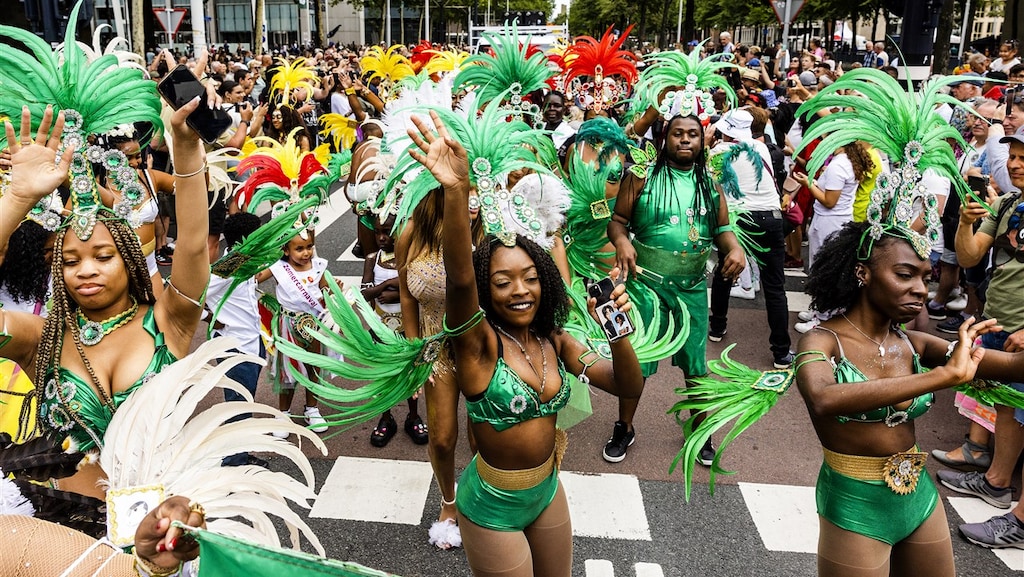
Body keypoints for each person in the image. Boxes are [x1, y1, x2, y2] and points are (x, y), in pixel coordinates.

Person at [406, 109, 643, 577]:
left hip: (547, 491)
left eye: (531, 278)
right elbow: (456, 280)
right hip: (492, 504)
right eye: (502, 281)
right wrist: (455, 193)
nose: (520, 290)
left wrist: (618, 334)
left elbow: (625, 385)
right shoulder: (478, 345)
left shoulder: (554, 339)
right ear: (485, 289)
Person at [1, 100, 209, 499]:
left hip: (164, 535)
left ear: (129, 260)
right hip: (70, 540)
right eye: (69, 260)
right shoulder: (42, 340)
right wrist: (17, 200)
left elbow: (195, 247)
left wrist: (185, 149)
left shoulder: (170, 320)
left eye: (102, 256)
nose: (86, 270)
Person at [606, 114, 746, 464]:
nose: (685, 140)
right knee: (637, 362)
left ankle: (700, 431)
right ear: (665, 138)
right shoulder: (642, 176)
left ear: (702, 141)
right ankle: (624, 426)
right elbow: (617, 222)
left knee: (697, 367)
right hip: (647, 288)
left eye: (693, 135)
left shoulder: (710, 181)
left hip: (692, 289)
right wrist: (621, 241)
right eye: (678, 134)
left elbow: (722, 227)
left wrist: (735, 248)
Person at [935, 133, 1024, 549]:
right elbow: (970, 257)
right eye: (1015, 156)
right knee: (1007, 409)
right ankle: (996, 481)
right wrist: (967, 222)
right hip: (998, 325)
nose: (1016, 164)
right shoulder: (1008, 204)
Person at [706, 109, 792, 368]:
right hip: (770, 217)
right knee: (775, 287)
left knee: (725, 272)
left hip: (739, 220)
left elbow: (709, 182)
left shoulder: (718, 153)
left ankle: (717, 327)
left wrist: (709, 142)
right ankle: (781, 352)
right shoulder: (761, 148)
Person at [361, 213, 428, 448]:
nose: (381, 237)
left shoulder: (410, 257)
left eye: (387, 231)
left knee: (410, 372)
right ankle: (386, 417)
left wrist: (390, 290)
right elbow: (365, 292)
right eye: (377, 231)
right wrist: (386, 287)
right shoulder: (372, 258)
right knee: (384, 374)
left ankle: (413, 415)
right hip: (382, 327)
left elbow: (416, 288)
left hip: (407, 327)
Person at [255, 234, 330, 434]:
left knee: (313, 366)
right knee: (287, 371)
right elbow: (254, 279)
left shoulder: (319, 266)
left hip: (313, 325)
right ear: (286, 251)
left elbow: (326, 291)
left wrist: (333, 293)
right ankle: (283, 414)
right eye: (299, 249)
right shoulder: (278, 268)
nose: (306, 253)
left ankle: (312, 409)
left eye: (309, 246)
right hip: (287, 324)